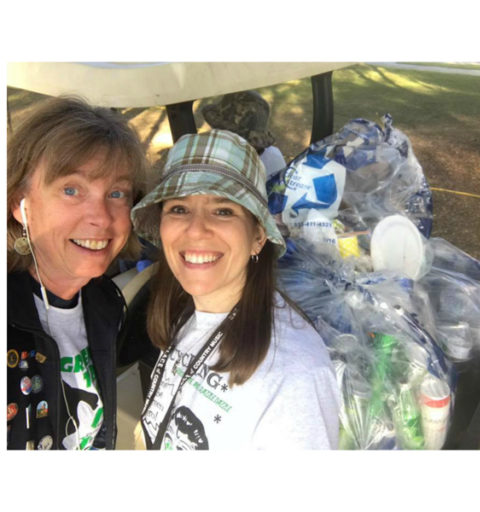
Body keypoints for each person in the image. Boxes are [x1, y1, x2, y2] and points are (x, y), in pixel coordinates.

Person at [131, 129, 339, 450]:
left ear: (258, 236)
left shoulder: (295, 376)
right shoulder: (187, 309)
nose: (196, 229)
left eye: (224, 211)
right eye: (179, 208)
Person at [7, 96, 145, 450]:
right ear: (20, 205)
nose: (100, 217)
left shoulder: (103, 302)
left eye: (116, 193)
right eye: (72, 190)